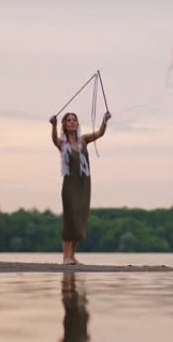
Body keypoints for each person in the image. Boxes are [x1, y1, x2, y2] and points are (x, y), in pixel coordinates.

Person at [50, 111, 111, 265]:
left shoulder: (83, 140)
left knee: (80, 220)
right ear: (64, 124)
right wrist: (54, 125)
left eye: (74, 120)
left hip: (84, 184)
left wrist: (104, 120)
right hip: (70, 185)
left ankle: (72, 255)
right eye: (69, 120)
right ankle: (66, 257)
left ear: (77, 124)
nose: (72, 122)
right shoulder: (62, 143)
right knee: (70, 220)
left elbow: (100, 133)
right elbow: (53, 139)